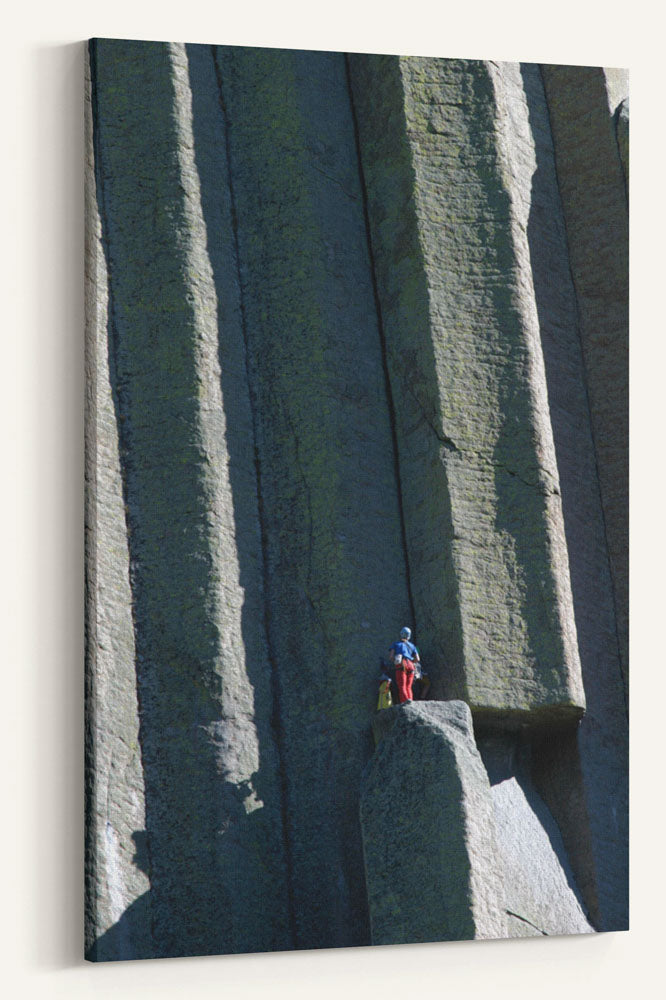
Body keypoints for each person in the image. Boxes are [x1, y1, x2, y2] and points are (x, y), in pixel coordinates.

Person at [388, 626, 420, 703]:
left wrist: (395, 661)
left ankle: (405, 702)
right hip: (411, 665)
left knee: (402, 686)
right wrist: (411, 662)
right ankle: (411, 701)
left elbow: (391, 656)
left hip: (402, 664)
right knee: (409, 687)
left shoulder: (396, 644)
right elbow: (417, 659)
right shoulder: (412, 646)